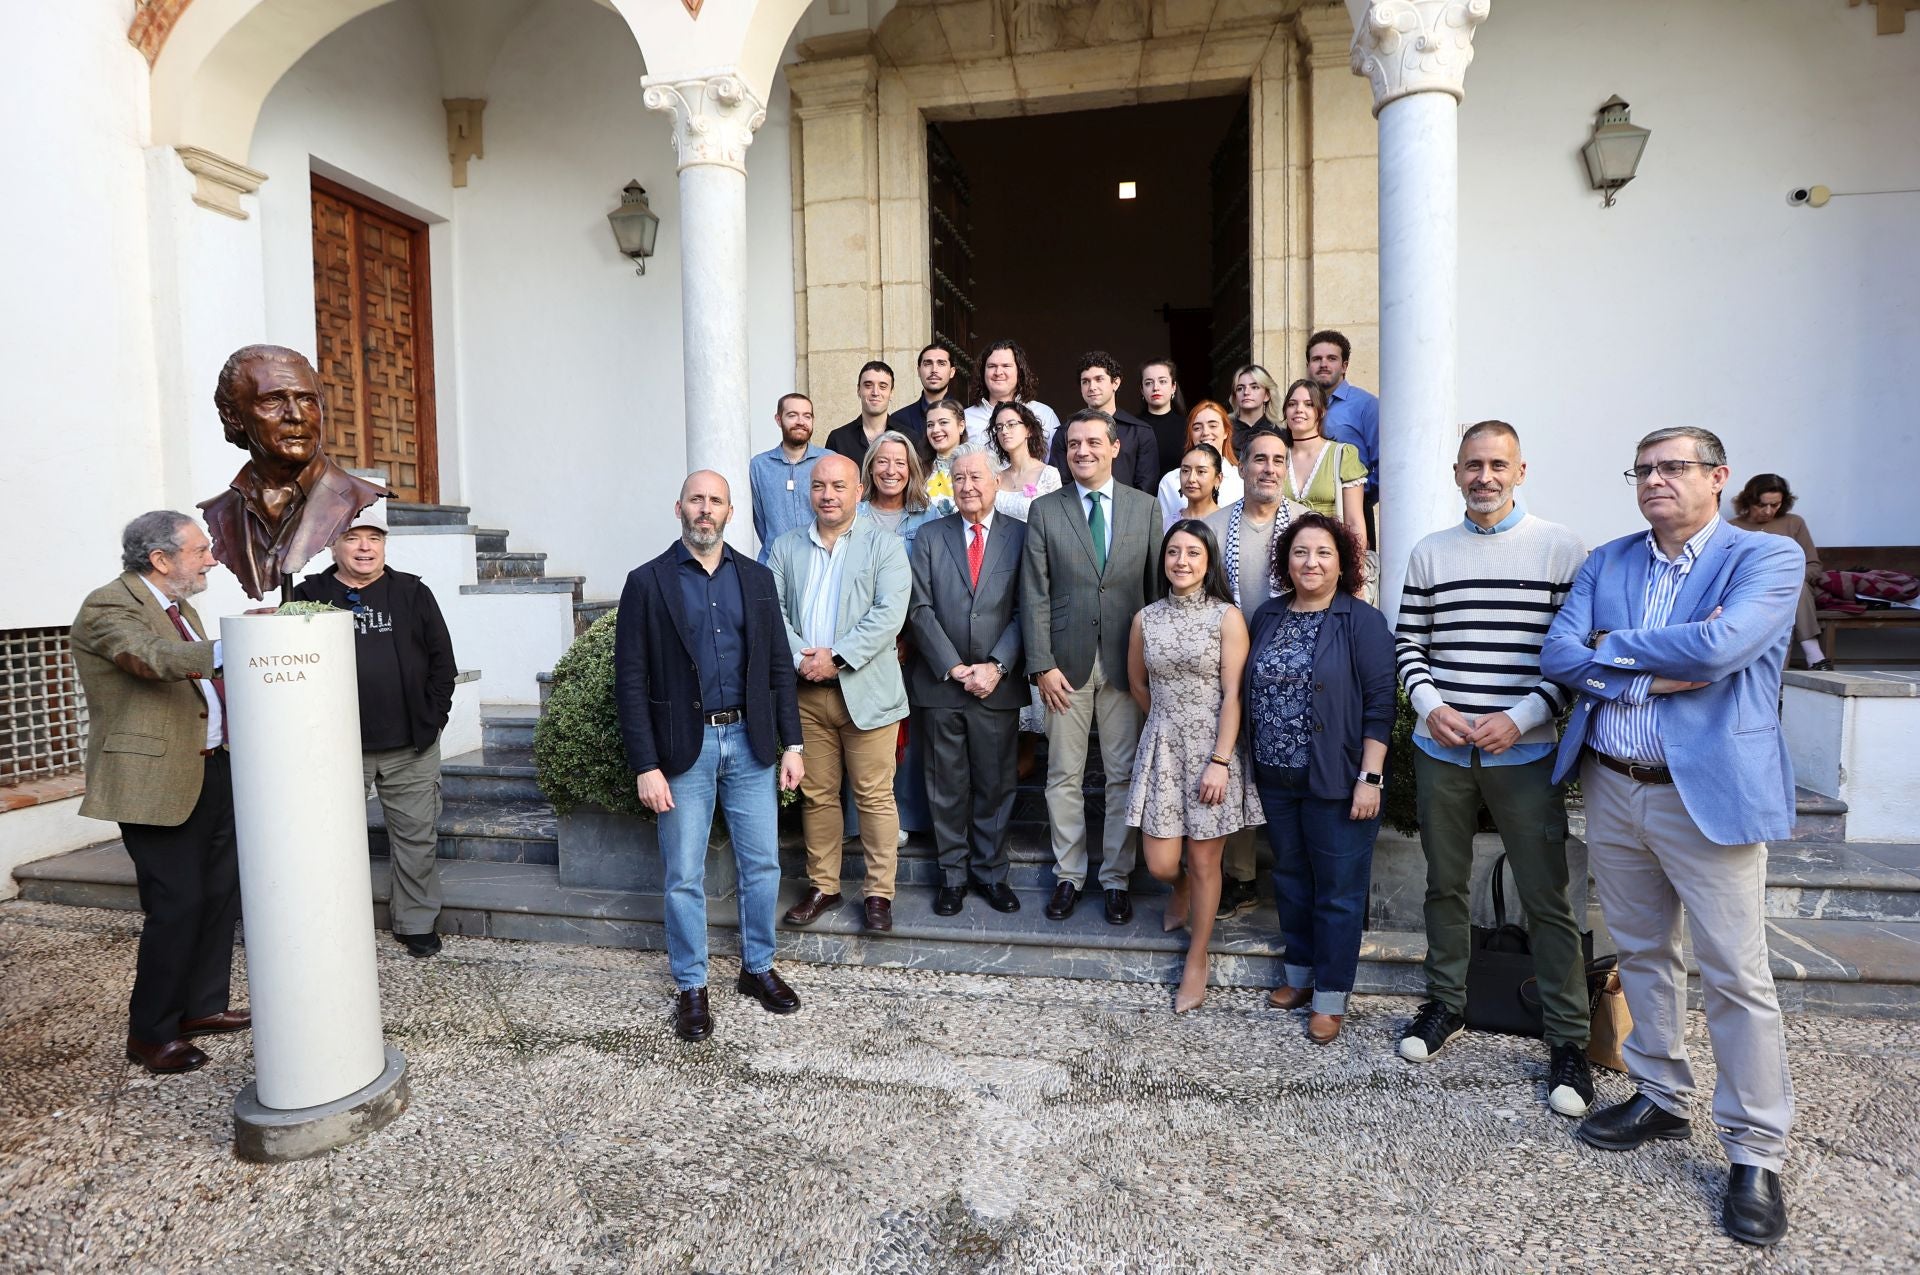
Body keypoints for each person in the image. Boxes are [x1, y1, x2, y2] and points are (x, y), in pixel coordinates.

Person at [1541, 427, 1804, 1248]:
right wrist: (1657, 666)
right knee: (1645, 952)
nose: (1655, 480)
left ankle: (1755, 1151)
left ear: (1717, 477)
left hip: (1708, 795)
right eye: (1644, 469)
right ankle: (1659, 1093)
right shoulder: (1609, 560)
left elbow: (1726, 647)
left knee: (1735, 974)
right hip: (1615, 786)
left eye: (1674, 467)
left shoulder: (1764, 559)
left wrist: (1610, 651)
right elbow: (1557, 653)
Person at [1392, 422, 1594, 1118]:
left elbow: (1574, 657)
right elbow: (1409, 642)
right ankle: (1445, 1003)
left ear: (1520, 469)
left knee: (1547, 896)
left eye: (1497, 464)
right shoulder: (1429, 551)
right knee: (1444, 884)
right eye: (1473, 465)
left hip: (1525, 749)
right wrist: (1430, 703)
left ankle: (1569, 1035)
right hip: (1441, 746)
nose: (1485, 476)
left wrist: (1526, 714)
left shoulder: (1561, 548)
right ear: (1455, 472)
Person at [615, 471, 806, 1042]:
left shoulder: (756, 578)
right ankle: (691, 986)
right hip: (681, 751)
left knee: (763, 865)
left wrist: (791, 744)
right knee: (682, 875)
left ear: (730, 511)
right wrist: (645, 764)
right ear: (678, 507)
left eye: (715, 501)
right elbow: (630, 680)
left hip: (751, 745)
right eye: (696, 500)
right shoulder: (647, 583)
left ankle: (757, 968)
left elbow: (777, 670)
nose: (705, 510)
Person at [71, 511, 248, 1074]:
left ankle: (201, 1008)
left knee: (220, 894)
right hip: (154, 779)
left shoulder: (183, 606)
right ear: (161, 559)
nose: (212, 560)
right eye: (201, 551)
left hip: (213, 768)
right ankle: (151, 1034)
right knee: (177, 904)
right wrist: (244, 644)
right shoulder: (109, 606)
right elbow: (150, 658)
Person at [1246, 513, 1394, 1045]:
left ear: (1343, 562)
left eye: (1323, 553)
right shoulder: (1266, 616)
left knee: (1337, 891)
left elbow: (1380, 706)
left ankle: (1331, 995)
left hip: (1338, 779)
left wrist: (1370, 777)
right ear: (1286, 561)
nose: (1311, 562)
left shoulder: (1361, 620)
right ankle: (1300, 975)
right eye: (1301, 552)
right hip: (1276, 775)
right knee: (1289, 878)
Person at [292, 500, 457, 958]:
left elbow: (443, 663)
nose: (365, 547)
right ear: (332, 545)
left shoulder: (411, 593)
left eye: (375, 538)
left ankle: (416, 922)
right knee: (328, 838)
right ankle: (333, 922)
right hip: (337, 748)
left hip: (411, 745)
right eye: (353, 537)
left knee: (417, 837)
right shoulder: (307, 597)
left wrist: (433, 716)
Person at [1021, 410, 1164, 925]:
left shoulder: (1145, 509)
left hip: (1127, 666)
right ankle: (1069, 875)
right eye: (1074, 443)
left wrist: (1150, 668)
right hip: (1065, 666)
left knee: (1124, 773)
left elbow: (1155, 594)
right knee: (1063, 773)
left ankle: (1115, 879)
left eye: (1093, 442)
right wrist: (1040, 664)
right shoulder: (1045, 511)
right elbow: (1033, 593)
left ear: (1114, 447)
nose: (1083, 450)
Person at [768, 453, 913, 933]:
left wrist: (838, 656)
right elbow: (773, 613)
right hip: (806, 694)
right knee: (818, 795)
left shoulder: (886, 546)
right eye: (818, 486)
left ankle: (878, 894)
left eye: (837, 486)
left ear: (858, 492)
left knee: (874, 796)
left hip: (867, 691)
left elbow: (889, 614)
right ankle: (824, 885)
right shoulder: (786, 546)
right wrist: (801, 659)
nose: (827, 495)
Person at [1126, 520, 1255, 1012]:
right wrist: (1165, 727)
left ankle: (1197, 958)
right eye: (1174, 552)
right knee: (1161, 863)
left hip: (1213, 750)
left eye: (1193, 553)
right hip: (1162, 746)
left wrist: (1220, 759)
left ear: (1209, 561)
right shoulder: (1145, 618)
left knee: (1205, 860)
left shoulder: (1227, 617)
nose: (1181, 561)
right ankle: (1176, 888)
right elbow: (1138, 683)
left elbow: (1233, 695)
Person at [907, 445, 1026, 917]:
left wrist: (997, 665)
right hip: (941, 685)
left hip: (998, 684)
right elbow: (918, 608)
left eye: (977, 477)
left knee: (996, 786)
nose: (968, 486)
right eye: (959, 478)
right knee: (946, 785)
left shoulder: (1020, 535)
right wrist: (955, 667)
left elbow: (1027, 608)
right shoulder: (930, 536)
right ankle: (952, 877)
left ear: (996, 482)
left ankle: (992, 874)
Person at [1204, 428, 1309, 919]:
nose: (1268, 468)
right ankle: (1239, 877)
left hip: (1294, 673)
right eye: (1259, 459)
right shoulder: (1212, 524)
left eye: (1277, 460)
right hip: (1226, 671)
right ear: (1239, 467)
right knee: (1233, 766)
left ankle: (1300, 873)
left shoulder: (1309, 527)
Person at [198, 345, 388, 601]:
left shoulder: (356, 496)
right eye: (273, 400)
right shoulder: (221, 512)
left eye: (307, 400)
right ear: (234, 416)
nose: (296, 416)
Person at [856, 430, 934, 840]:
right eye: (883, 462)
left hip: (912, 644)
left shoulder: (929, 516)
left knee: (910, 732)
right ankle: (869, 821)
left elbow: (934, 583)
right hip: (864, 645)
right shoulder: (854, 514)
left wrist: (911, 639)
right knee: (868, 732)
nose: (891, 470)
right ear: (870, 467)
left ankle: (907, 817)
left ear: (912, 469)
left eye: (900, 463)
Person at [1729, 473, 1831, 670]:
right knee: (1784, 598)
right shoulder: (1733, 527)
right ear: (1749, 501)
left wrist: (1787, 579)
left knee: (1794, 588)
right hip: (1753, 591)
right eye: (1762, 505)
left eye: (1774, 505)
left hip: (1794, 590)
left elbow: (1813, 565)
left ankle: (1812, 654)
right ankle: (1803, 663)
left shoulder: (1794, 523)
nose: (1768, 511)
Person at [1278, 378, 1369, 554]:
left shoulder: (1342, 455)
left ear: (1321, 412)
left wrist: (1353, 574)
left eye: (1309, 404)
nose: (1299, 410)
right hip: (1284, 560)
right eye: (1292, 404)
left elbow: (1354, 522)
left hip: (1330, 558)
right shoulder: (1277, 456)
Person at [1308, 329, 1382, 544]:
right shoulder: (1300, 405)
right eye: (1317, 359)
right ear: (1308, 366)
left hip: (1353, 509)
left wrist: (1360, 496)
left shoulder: (1366, 405)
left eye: (1332, 358)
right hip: (1308, 509)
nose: (1324, 364)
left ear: (1344, 366)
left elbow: (1383, 463)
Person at [1051, 351, 1159, 495]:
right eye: (1085, 381)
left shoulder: (1140, 431)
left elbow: (1146, 486)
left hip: (1129, 513)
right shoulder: (1065, 431)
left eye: (1099, 379)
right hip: (1076, 512)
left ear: (1115, 382)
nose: (1092, 387)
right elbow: (1059, 484)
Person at [749, 392, 828, 564]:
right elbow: (760, 520)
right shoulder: (759, 466)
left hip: (820, 564)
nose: (800, 421)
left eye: (807, 416)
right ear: (778, 419)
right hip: (774, 564)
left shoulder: (829, 461)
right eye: (792, 415)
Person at [1155, 400, 1242, 531]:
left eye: (1213, 426)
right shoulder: (1169, 482)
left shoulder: (1241, 480)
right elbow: (1164, 531)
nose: (1205, 432)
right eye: (1197, 428)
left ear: (1226, 432)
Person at [964, 338, 1062, 454]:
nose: (998, 372)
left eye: (1006, 366)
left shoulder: (1044, 414)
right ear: (982, 372)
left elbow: (1054, 463)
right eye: (991, 366)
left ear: (1019, 372)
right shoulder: (966, 418)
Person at [988, 400, 1061, 522]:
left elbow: (1057, 522)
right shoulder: (995, 477)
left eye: (1011, 424)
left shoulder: (1048, 474)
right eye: (999, 427)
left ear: (1029, 430)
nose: (1004, 431)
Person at [825, 361, 899, 465]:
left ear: (891, 393)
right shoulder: (838, 439)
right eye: (868, 385)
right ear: (858, 390)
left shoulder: (908, 436)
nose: (875, 393)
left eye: (882, 386)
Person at [888, 340, 958, 447]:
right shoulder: (899, 419)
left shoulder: (967, 416)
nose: (934, 370)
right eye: (928, 363)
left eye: (941, 363)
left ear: (952, 372)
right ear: (919, 371)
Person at [1138, 358, 1188, 480]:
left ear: (1173, 387)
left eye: (1162, 381)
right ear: (1142, 390)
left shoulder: (1188, 427)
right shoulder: (1133, 427)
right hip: (1142, 497)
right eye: (1149, 383)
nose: (1155, 387)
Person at [920, 398, 968, 519]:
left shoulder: (977, 467)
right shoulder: (918, 470)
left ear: (961, 426)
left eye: (943, 422)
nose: (935, 430)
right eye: (930, 425)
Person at [1228, 363, 1284, 459]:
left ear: (1267, 395)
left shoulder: (1281, 433)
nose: (1246, 392)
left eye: (1254, 387)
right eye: (1240, 388)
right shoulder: (1224, 428)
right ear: (1235, 396)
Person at [1169, 445, 1227, 526]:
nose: (1191, 479)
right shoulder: (1167, 523)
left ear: (1218, 479)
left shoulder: (1228, 523)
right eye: (1185, 471)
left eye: (1201, 471)